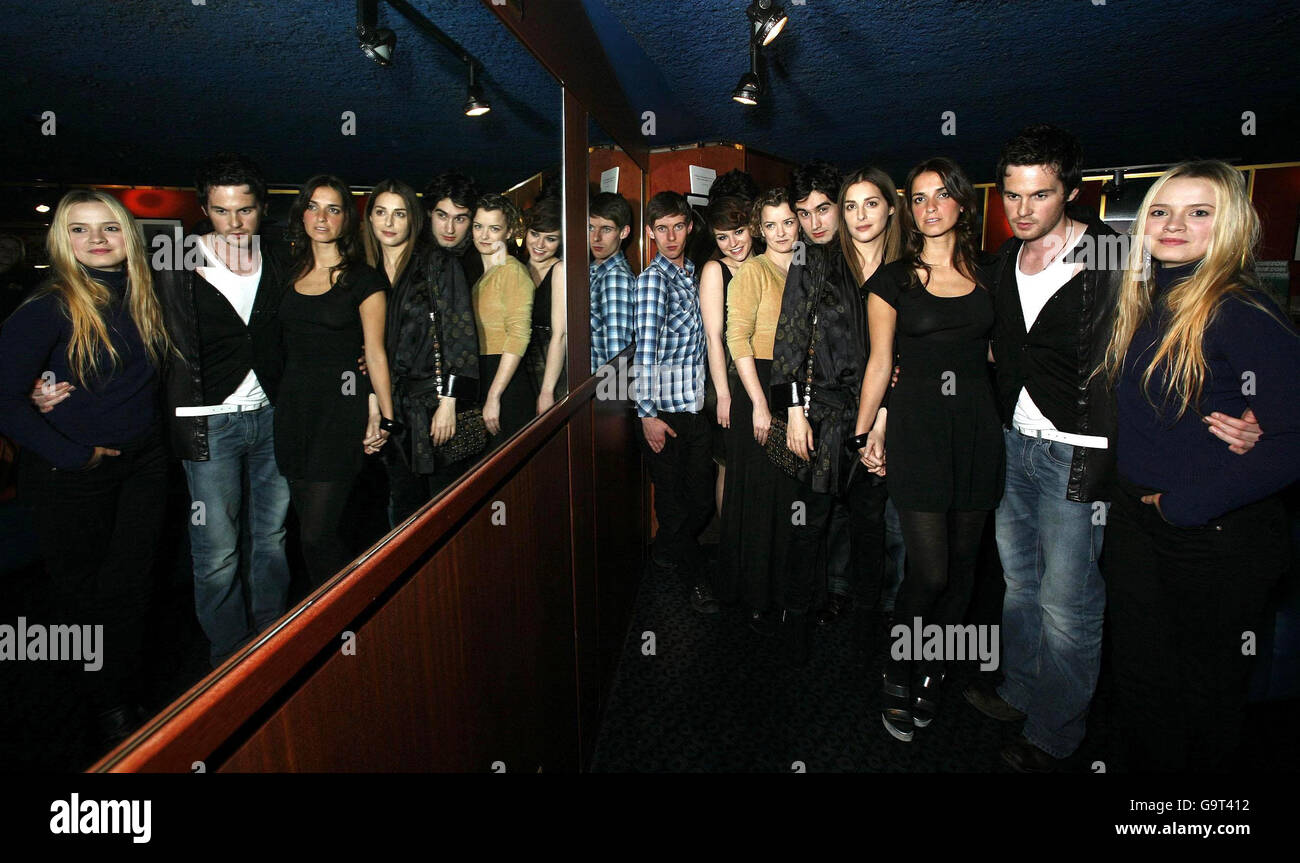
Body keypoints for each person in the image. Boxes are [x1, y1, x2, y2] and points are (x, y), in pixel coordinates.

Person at [1101, 160, 1300, 771]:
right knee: (1141, 680)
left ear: (1230, 224)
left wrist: (1184, 507)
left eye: (1199, 212)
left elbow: (1293, 438)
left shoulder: (1238, 310)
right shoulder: (1149, 298)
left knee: (1202, 698)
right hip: (1142, 523)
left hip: (1211, 535)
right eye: (1162, 211)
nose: (1174, 225)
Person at [0, 190, 172, 745]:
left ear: (129, 235)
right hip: (72, 473)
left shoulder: (144, 294)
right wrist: (76, 456)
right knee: (84, 595)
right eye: (79, 229)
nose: (96, 239)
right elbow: (3, 398)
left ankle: (123, 689)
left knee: (132, 585)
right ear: (62, 239)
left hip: (143, 464)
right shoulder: (49, 305)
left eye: (109, 227)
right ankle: (104, 707)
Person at [855, 157, 1001, 741]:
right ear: (909, 211)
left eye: (941, 195)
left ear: (962, 202)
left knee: (964, 571)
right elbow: (879, 363)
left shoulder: (991, 273)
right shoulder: (892, 280)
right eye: (918, 198)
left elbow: (998, 352)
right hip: (918, 433)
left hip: (978, 432)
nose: (930, 207)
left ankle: (932, 671)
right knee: (929, 573)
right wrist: (865, 432)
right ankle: (898, 667)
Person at [276, 175, 393, 586]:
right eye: (313, 207)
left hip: (339, 415)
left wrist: (384, 416)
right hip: (292, 413)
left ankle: (353, 608)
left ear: (346, 219)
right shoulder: (287, 272)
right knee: (305, 534)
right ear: (302, 214)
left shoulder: (364, 279)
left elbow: (375, 352)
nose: (321, 217)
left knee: (318, 534)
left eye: (333, 209)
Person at [363, 179, 479, 524]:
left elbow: (460, 334)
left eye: (399, 214)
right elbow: (367, 350)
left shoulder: (437, 263)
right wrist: (374, 407)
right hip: (393, 406)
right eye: (381, 212)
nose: (389, 222)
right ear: (369, 218)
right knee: (402, 507)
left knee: (446, 509)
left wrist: (449, 402)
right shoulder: (365, 272)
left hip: (434, 403)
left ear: (413, 219)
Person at [716, 189, 794, 635]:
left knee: (786, 497)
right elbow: (735, 338)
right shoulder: (753, 271)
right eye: (771, 224)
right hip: (757, 389)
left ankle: (781, 591)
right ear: (759, 230)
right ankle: (753, 596)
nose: (780, 232)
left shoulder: (804, 269)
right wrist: (760, 405)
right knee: (759, 497)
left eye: (788, 222)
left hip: (792, 387)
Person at [634, 191, 715, 613]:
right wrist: (647, 416)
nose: (670, 237)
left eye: (677, 227)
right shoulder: (654, 280)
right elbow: (645, 352)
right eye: (661, 229)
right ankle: (696, 582)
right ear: (650, 233)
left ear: (689, 227)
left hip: (694, 408)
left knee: (701, 500)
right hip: (663, 413)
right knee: (675, 505)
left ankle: (665, 550)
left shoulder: (693, 273)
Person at [699, 194, 756, 517]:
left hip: (759, 377)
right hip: (728, 383)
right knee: (729, 467)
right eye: (722, 237)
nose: (732, 243)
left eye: (738, 232)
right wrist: (722, 395)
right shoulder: (715, 270)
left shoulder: (764, 264)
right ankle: (730, 540)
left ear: (752, 228)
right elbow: (713, 337)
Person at [470, 193, 534, 443]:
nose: (484, 235)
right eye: (478, 226)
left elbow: (519, 335)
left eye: (494, 228)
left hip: (506, 382)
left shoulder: (512, 271)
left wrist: (494, 396)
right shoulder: (486, 273)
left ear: (509, 232)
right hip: (489, 374)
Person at [522, 196, 567, 413]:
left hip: (549, 375)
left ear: (561, 242)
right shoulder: (517, 267)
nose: (539, 245)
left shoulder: (560, 270)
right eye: (535, 234)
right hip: (519, 372)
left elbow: (560, 335)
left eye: (550, 239)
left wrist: (547, 391)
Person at [588, 192, 635, 373]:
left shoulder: (616, 278)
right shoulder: (592, 270)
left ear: (624, 232)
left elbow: (617, 357)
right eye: (591, 227)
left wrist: (609, 390)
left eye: (606, 229)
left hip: (600, 386)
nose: (596, 237)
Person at [424, 171, 484, 286]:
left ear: (472, 221)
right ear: (430, 213)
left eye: (459, 219)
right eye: (442, 216)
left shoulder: (485, 265)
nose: (450, 229)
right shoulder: (410, 258)